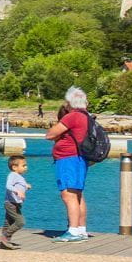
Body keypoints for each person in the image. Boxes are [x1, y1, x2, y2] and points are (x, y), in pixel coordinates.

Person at [51, 85, 93, 241]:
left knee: (68, 194)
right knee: (78, 194)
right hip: (80, 158)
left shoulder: (72, 116)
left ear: (70, 102)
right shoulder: (86, 115)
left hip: (68, 158)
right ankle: (81, 229)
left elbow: (50, 134)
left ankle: (73, 231)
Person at [0, 152, 30, 250]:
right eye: (23, 165)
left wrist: (26, 186)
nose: (26, 167)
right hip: (10, 204)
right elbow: (8, 186)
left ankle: (5, 242)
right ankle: (5, 236)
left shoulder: (19, 176)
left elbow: (20, 184)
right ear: (14, 167)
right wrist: (17, 191)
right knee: (20, 222)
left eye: (26, 165)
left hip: (16, 204)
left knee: (8, 222)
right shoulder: (13, 175)